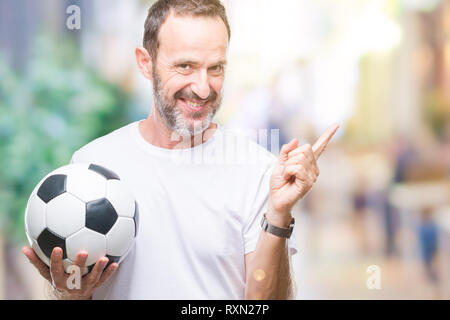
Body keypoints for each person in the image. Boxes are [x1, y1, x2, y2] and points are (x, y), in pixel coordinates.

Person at [22, 0, 338, 299]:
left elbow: (265, 300)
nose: (203, 88)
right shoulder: (91, 166)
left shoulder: (259, 170)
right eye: (185, 66)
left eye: (215, 68)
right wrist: (69, 292)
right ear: (146, 63)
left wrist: (279, 214)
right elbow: (76, 290)